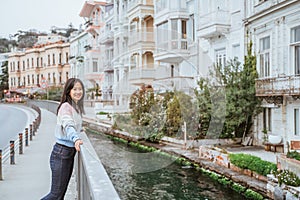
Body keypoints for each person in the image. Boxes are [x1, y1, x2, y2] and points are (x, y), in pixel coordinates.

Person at [42, 78, 85, 200]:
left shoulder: (74, 107)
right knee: (55, 195)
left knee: (60, 195)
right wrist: (76, 138)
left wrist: (80, 131)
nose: (78, 92)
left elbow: (73, 125)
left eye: (80, 89)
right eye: (75, 89)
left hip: (67, 153)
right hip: (61, 153)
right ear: (68, 91)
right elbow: (68, 124)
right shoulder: (66, 107)